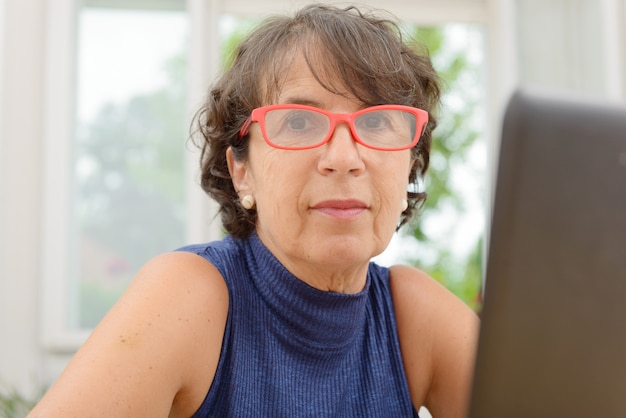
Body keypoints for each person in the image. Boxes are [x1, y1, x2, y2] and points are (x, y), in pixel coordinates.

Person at [29, 4, 479, 417]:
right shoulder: (191, 295)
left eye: (377, 122)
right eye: (299, 122)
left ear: (410, 165)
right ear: (242, 171)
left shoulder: (411, 312)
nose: (344, 157)